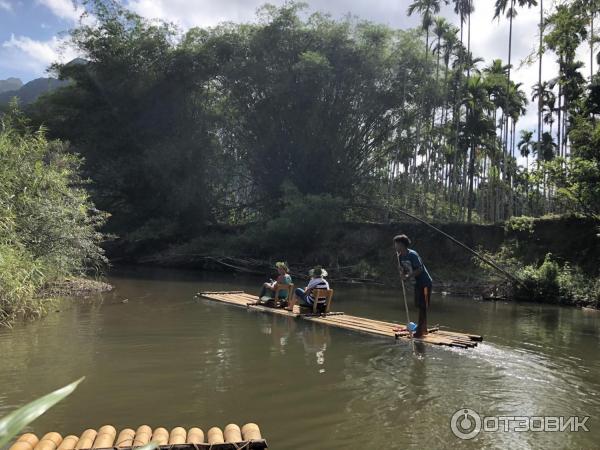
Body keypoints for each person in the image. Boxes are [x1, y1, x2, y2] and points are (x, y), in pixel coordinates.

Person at [393, 234, 433, 338]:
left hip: (425, 283)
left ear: (402, 245)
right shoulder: (400, 256)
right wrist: (401, 272)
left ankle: (420, 331)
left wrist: (407, 276)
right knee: (418, 305)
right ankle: (423, 328)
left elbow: (419, 269)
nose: (395, 247)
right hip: (417, 283)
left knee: (422, 306)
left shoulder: (412, 254)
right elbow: (403, 270)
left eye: (396, 245)